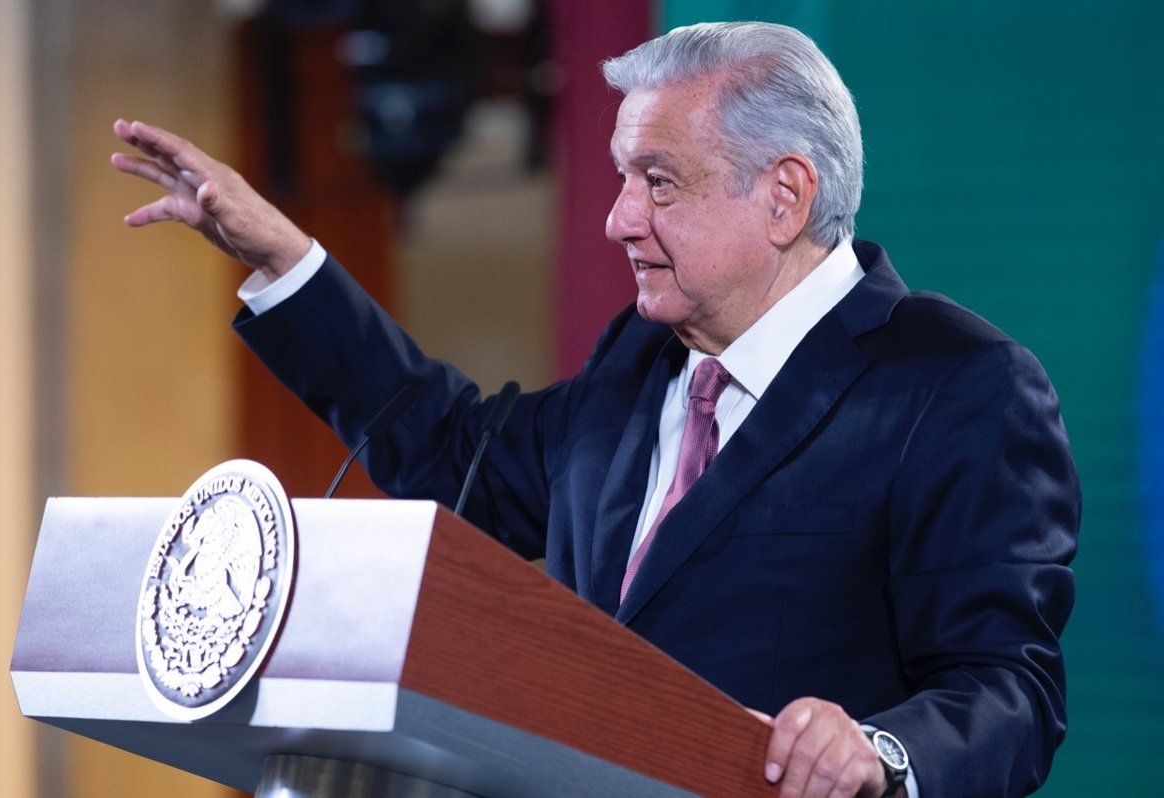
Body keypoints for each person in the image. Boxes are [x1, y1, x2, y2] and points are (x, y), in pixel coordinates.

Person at [112, 21, 1079, 798]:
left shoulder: (956, 384)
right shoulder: (636, 361)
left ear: (784, 197)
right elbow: (451, 454)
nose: (619, 218)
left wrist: (879, 751)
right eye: (620, 177)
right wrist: (283, 261)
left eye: (658, 181)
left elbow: (1010, 689)